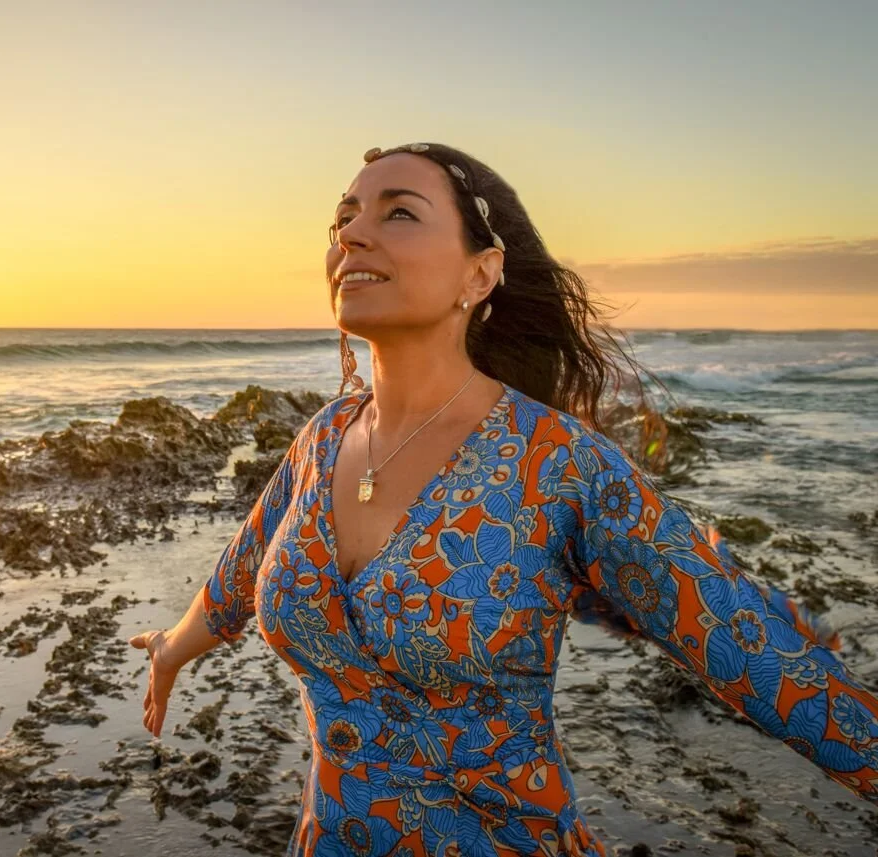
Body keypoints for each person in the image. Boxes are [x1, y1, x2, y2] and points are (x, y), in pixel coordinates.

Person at [129, 142, 878, 856]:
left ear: (480, 274)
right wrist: (171, 647)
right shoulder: (322, 439)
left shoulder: (559, 465)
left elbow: (753, 650)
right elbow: (240, 575)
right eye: (342, 218)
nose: (352, 235)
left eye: (397, 213)